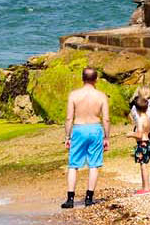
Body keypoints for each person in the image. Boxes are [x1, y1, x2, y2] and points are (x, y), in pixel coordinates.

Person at [62, 67, 110, 209]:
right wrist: (107, 137)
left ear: (82, 78)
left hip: (79, 129)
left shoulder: (74, 95)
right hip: (95, 128)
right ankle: (89, 198)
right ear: (96, 79)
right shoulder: (101, 96)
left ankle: (70, 199)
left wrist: (67, 136)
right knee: (94, 164)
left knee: (73, 165)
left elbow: (69, 118)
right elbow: (106, 119)